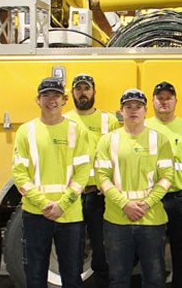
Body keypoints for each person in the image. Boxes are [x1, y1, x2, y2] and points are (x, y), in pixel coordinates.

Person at [12, 77, 90, 288]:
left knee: (72, 276)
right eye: (45, 95)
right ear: (37, 99)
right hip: (37, 215)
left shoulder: (76, 130)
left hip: (70, 215)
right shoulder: (26, 132)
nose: (51, 100)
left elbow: (83, 172)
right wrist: (44, 204)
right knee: (35, 276)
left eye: (56, 95)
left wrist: (62, 204)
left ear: (64, 99)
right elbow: (20, 174)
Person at [95, 88, 174, 288]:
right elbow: (102, 178)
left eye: (138, 107)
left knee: (154, 279)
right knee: (118, 279)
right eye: (128, 106)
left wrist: (146, 204)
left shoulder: (159, 139)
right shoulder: (107, 141)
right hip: (116, 221)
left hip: (152, 220)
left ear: (145, 110)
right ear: (121, 111)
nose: (133, 111)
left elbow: (167, 177)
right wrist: (125, 204)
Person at [64, 73, 119, 287]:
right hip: (73, 196)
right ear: (72, 93)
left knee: (102, 251)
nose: (83, 92)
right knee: (71, 250)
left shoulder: (109, 120)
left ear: (94, 91)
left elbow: (117, 155)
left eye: (86, 88)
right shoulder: (64, 120)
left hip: (99, 196)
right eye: (78, 89)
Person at [145, 81, 182, 288]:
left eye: (168, 98)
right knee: (152, 254)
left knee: (181, 255)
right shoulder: (144, 126)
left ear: (176, 101)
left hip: (180, 199)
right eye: (160, 98)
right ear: (153, 101)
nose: (164, 102)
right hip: (152, 199)